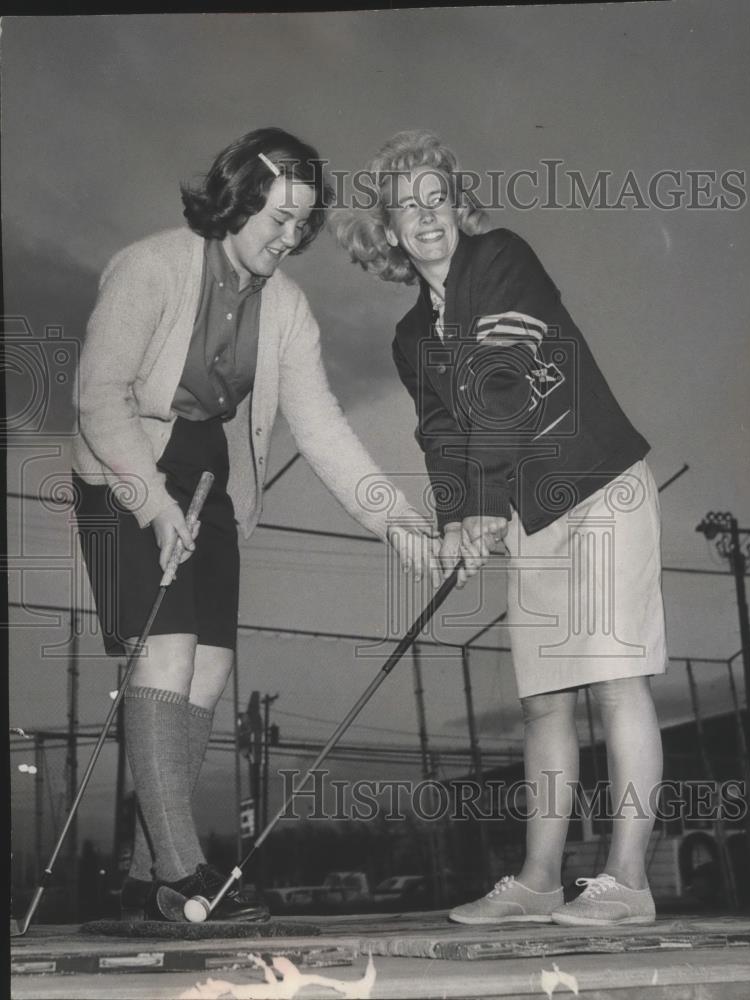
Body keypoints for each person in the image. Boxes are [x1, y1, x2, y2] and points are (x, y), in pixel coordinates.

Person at [71, 127, 437, 922]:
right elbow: (98, 398)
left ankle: (145, 877)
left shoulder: (288, 306)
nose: (289, 236)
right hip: (124, 464)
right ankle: (182, 870)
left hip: (210, 469)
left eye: (302, 222)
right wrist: (155, 507)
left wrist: (395, 516)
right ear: (233, 203)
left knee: (206, 668)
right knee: (164, 650)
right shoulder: (149, 268)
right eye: (276, 218)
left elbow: (321, 425)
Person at [334, 130, 667, 926]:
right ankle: (539, 880)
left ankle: (626, 882)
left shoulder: (500, 259)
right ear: (387, 230)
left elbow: (501, 376)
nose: (423, 215)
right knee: (544, 703)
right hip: (526, 514)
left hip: (598, 486)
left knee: (617, 680)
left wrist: (482, 505)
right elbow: (441, 435)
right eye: (404, 206)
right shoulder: (412, 337)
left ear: (457, 207)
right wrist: (457, 523)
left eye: (434, 198)